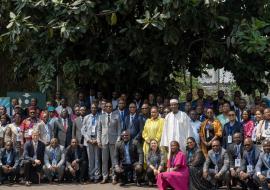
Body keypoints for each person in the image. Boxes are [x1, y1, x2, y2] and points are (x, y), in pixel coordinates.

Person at [97, 102, 121, 184]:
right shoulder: (101, 116)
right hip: (104, 141)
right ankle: (105, 177)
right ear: (104, 107)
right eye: (107, 106)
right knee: (104, 160)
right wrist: (98, 140)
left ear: (112, 107)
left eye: (110, 106)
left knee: (114, 160)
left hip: (114, 141)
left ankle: (114, 177)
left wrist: (118, 139)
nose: (108, 107)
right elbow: (99, 130)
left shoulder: (116, 116)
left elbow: (119, 129)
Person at [81, 103, 101, 183]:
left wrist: (97, 140)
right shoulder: (86, 117)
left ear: (97, 109)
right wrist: (88, 139)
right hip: (89, 141)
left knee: (97, 159)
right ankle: (91, 176)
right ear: (90, 109)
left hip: (97, 141)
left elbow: (100, 130)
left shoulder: (100, 117)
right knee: (90, 159)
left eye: (95, 108)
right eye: (92, 108)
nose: (94, 109)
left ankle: (96, 176)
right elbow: (83, 130)